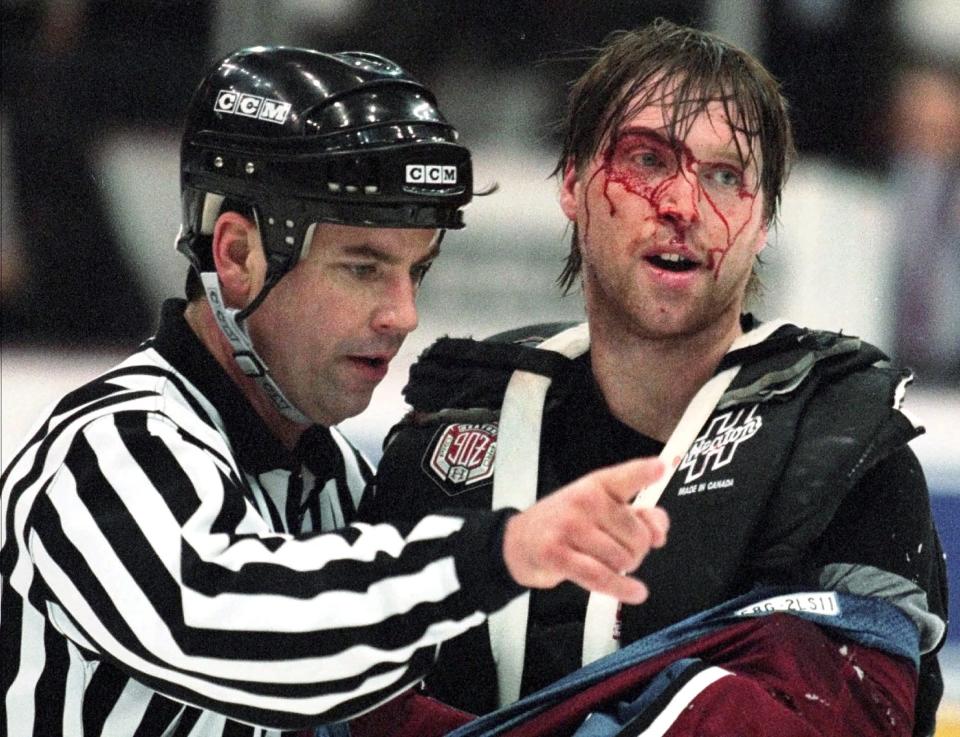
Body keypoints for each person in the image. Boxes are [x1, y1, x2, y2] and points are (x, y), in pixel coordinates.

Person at [0, 46, 671, 737]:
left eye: (418, 270)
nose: (403, 314)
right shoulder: (101, 455)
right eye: (362, 266)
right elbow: (246, 626)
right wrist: (498, 552)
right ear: (237, 256)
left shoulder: (337, 483)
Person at [362, 19, 949, 737]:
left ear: (764, 220)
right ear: (573, 183)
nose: (683, 207)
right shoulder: (451, 429)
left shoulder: (846, 454)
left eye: (725, 175)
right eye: (646, 160)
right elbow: (344, 705)